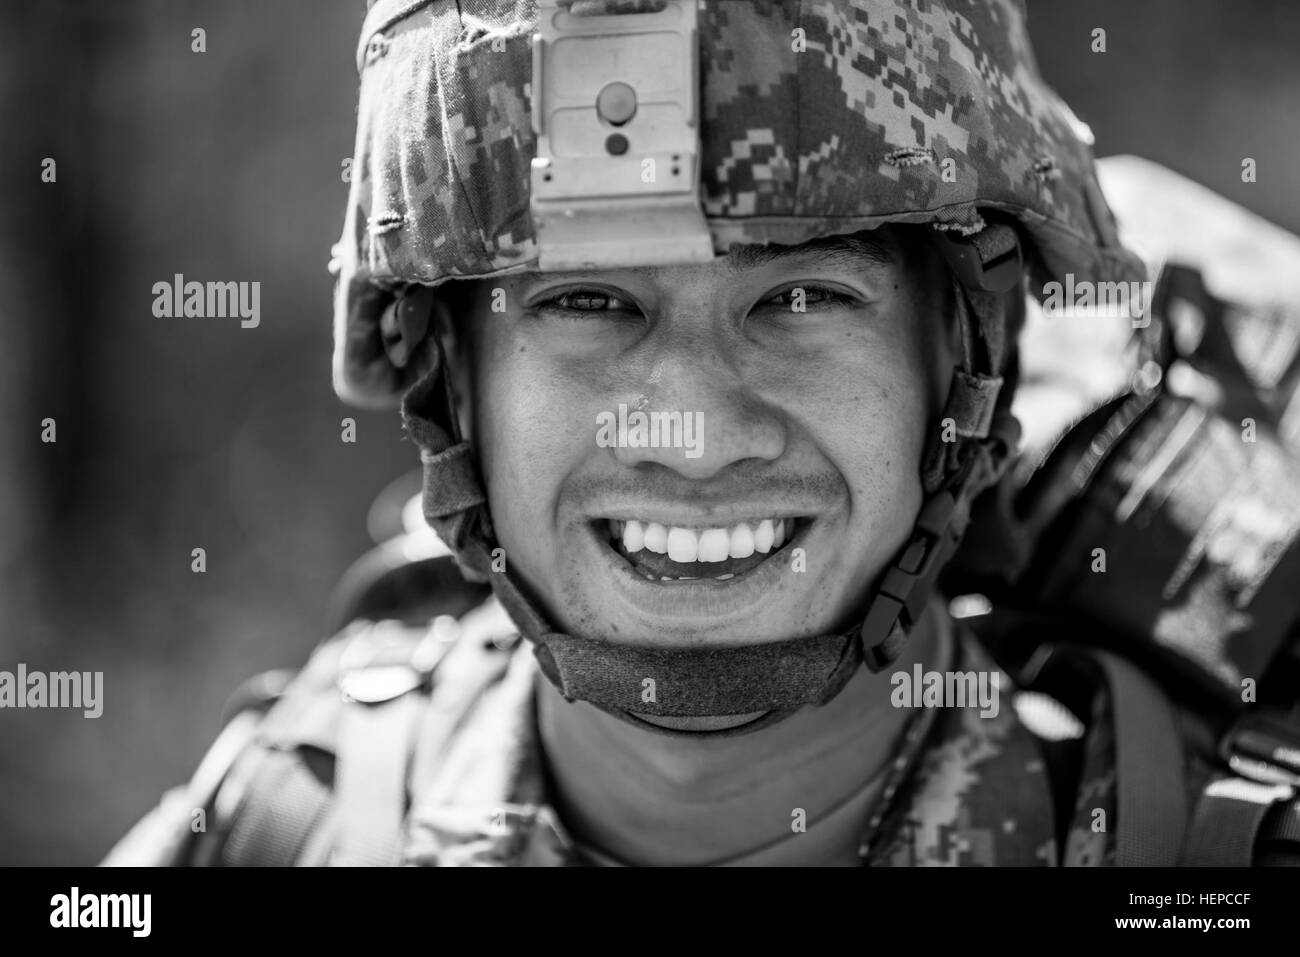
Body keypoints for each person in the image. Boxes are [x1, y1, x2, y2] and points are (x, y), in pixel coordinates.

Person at [105, 0, 1300, 867]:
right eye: (586, 303)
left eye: (799, 300)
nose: (691, 437)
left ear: (961, 371)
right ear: (450, 385)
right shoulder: (276, 827)